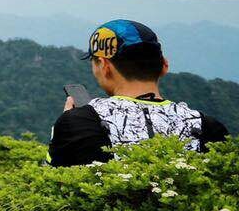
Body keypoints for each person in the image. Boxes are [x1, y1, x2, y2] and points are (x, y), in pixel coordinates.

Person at [49, 19, 228, 167]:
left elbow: (53, 181)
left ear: (104, 66)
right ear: (164, 66)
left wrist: (65, 127)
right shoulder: (209, 127)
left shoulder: (80, 122)